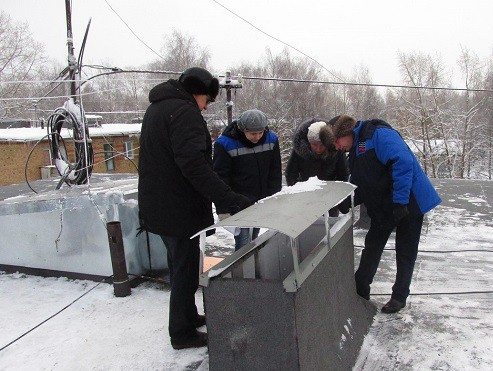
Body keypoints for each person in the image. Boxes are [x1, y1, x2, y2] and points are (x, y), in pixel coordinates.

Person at [138, 67, 251, 350]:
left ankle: (188, 316)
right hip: (179, 208)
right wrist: (229, 198)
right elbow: (194, 166)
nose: (207, 106)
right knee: (186, 272)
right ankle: (182, 333)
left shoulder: (158, 109)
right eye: (208, 100)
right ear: (199, 93)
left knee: (180, 267)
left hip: (161, 206)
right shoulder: (184, 112)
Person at [332, 115, 441, 314]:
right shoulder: (355, 150)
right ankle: (360, 288)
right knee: (372, 245)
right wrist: (348, 200)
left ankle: (399, 296)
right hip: (385, 205)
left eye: (337, 142)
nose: (337, 147)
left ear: (345, 133)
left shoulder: (379, 134)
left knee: (405, 251)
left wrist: (400, 201)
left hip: (409, 201)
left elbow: (403, 162)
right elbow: (365, 180)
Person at [213, 109, 282, 250]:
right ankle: (242, 270)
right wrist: (223, 208)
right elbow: (221, 178)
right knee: (243, 242)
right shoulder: (225, 144)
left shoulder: (271, 139)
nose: (257, 137)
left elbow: (275, 171)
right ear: (242, 129)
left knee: (254, 239)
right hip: (238, 202)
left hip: (261, 200)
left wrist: (274, 197)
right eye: (253, 134)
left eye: (260, 133)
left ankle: (253, 267)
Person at [285, 119, 350, 215]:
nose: (318, 149)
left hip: (329, 197)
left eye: (322, 145)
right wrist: (298, 194)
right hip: (305, 197)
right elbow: (290, 173)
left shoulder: (337, 150)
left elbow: (343, 174)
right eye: (314, 145)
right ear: (308, 143)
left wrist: (337, 198)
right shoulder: (298, 151)